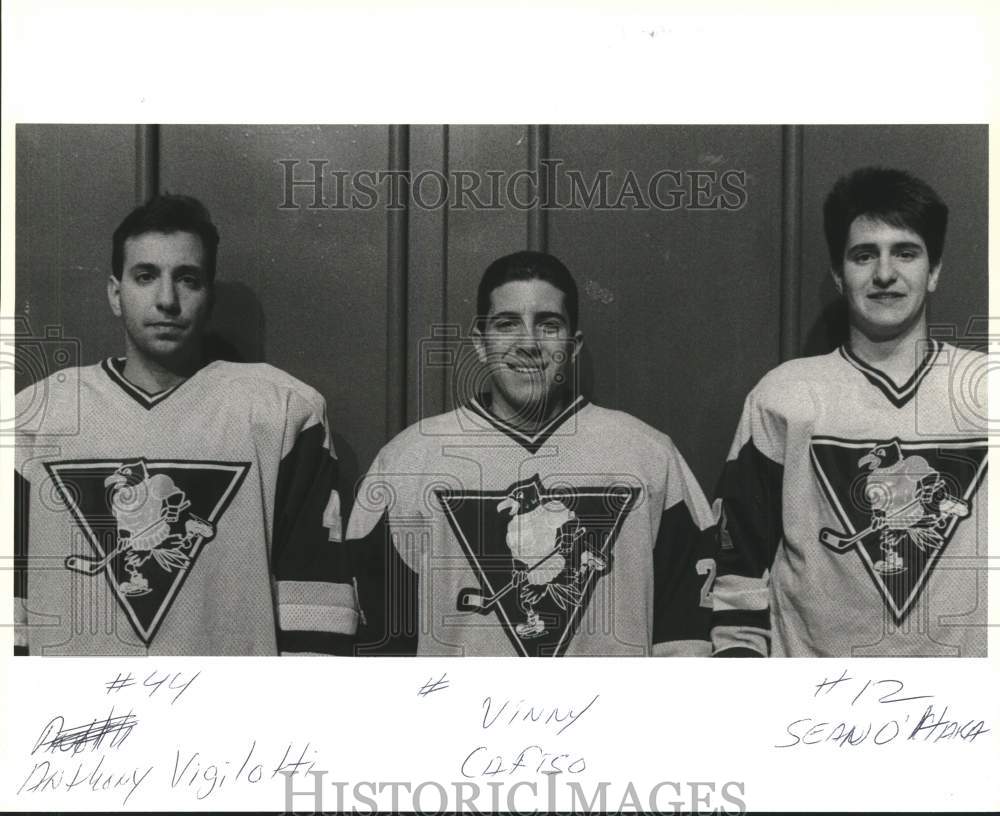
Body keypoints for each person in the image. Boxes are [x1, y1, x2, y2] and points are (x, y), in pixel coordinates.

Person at [14, 194, 356, 655]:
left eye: (187, 279)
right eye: (145, 276)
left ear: (208, 294)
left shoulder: (283, 411)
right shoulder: (38, 415)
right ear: (116, 294)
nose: (167, 299)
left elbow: (314, 607)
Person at [346, 250, 717, 656]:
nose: (528, 344)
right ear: (481, 343)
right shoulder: (409, 461)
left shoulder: (649, 456)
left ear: (573, 347)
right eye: (507, 325)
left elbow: (687, 636)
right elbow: (378, 648)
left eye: (548, 325)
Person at [712, 167, 988, 657]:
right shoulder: (785, 395)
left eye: (906, 252)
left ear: (936, 269)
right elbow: (738, 569)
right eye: (865, 255)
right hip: (818, 706)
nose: (885, 273)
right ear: (840, 275)